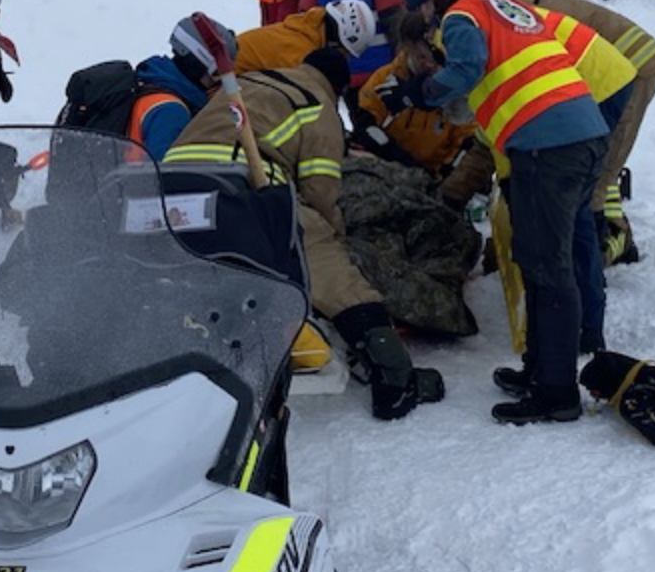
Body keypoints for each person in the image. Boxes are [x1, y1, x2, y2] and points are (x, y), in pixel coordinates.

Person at [165, 48, 446, 420]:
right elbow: (320, 191)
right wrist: (335, 237)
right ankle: (395, 379)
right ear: (338, 86)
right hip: (243, 185)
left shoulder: (249, 82)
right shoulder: (317, 104)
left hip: (169, 187)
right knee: (329, 265)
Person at [395, 0, 608, 424]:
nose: (428, 21)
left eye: (423, 9)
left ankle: (556, 391)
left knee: (548, 266)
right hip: (580, 134)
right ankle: (541, 368)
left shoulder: (461, 14)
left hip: (546, 144)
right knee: (543, 258)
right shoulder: (504, 6)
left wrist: (420, 91)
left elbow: (466, 69)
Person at [519, 0, 655, 266]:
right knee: (596, 160)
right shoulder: (514, 8)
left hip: (635, 71)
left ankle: (608, 243)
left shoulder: (510, 24)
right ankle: (604, 231)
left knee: (601, 168)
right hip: (621, 65)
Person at [357, 2, 494, 211]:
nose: (428, 64)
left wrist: (447, 182)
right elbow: (365, 125)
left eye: (433, 57)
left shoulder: (455, 88)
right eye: (420, 57)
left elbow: (466, 140)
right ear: (407, 49)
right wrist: (400, 160)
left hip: (436, 179)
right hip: (390, 173)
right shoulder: (385, 81)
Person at [127, 15, 236, 161]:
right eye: (216, 74)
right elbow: (166, 177)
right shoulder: (171, 111)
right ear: (198, 64)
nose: (219, 84)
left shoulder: (151, 80)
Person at [234, 0, 378, 75]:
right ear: (338, 41)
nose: (344, 59)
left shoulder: (305, 30)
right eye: (345, 53)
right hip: (224, 90)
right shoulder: (301, 54)